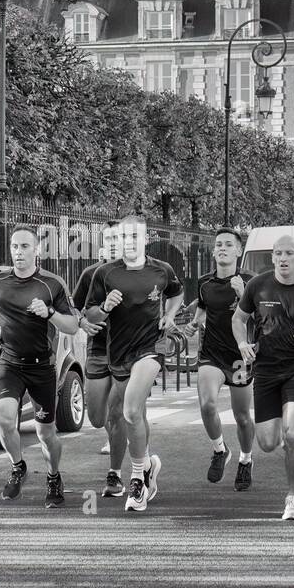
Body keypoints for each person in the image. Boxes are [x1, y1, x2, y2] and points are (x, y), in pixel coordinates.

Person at [83, 215, 183, 512]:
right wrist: (104, 307)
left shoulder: (161, 270)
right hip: (119, 354)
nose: (128, 241)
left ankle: (137, 478)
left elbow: (176, 293)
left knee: (129, 409)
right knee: (129, 414)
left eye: (134, 236)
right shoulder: (105, 273)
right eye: (124, 236)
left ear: (145, 238)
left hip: (151, 348)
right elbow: (90, 315)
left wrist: (170, 315)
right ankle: (149, 465)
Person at [0, 227, 80, 508]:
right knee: (4, 417)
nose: (18, 252)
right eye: (14, 246)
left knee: (45, 433)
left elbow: (72, 325)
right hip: (10, 362)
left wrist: (49, 312)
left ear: (37, 251)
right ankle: (18, 466)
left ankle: (53, 476)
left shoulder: (52, 284)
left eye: (24, 246)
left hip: (42, 367)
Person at [232, 234, 294, 520]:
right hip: (265, 369)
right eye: (278, 253)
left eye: (289, 253)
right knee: (267, 442)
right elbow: (238, 319)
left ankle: (293, 498)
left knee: (291, 433)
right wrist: (242, 344)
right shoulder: (258, 286)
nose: (284, 258)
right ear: (272, 257)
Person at [189, 228, 257, 490]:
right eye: (218, 244)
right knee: (207, 404)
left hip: (240, 357)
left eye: (229, 244)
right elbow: (204, 311)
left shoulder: (251, 282)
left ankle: (246, 459)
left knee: (241, 416)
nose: (222, 248)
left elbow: (261, 317)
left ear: (239, 250)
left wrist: (243, 295)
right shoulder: (204, 283)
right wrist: (194, 324)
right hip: (212, 355)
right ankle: (219, 450)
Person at [71, 221, 129, 497]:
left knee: (118, 414)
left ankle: (116, 475)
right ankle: (124, 437)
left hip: (129, 351)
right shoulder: (91, 273)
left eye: (119, 237)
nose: (114, 243)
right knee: (96, 417)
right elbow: (74, 307)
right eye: (109, 239)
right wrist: (83, 323)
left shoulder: (138, 272)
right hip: (98, 349)